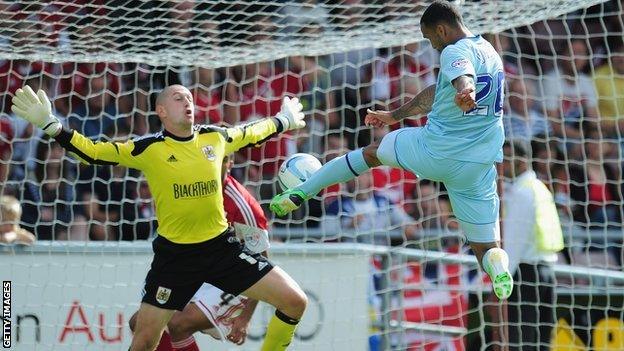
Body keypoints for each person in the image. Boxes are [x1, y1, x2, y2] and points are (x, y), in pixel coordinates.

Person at [11, 84, 308, 351]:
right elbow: (93, 152)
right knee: (142, 340)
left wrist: (284, 120)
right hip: (175, 258)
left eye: (190, 98)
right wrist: (52, 126)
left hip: (221, 249)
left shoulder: (215, 138)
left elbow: (253, 132)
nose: (188, 102)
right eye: (179, 98)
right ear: (162, 111)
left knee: (296, 301)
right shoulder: (149, 149)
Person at [271, 0, 513, 300]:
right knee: (487, 248)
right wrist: (394, 116)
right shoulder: (490, 52)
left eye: (430, 38)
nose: (432, 45)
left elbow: (461, 78)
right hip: (479, 165)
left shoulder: (455, 50)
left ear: (441, 29)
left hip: (436, 150)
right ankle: (497, 264)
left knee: (371, 154)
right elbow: (439, 91)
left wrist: (467, 90)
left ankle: (303, 191)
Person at [128, 154, 270, 350]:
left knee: (179, 324)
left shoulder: (242, 205)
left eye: (220, 159)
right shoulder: (191, 190)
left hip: (236, 278)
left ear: (230, 163)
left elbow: (262, 262)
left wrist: (246, 316)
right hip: (198, 272)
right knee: (139, 324)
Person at [501, 141, 564, 351]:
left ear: (519, 161)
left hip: (525, 274)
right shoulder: (539, 188)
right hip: (546, 273)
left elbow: (514, 241)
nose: (501, 165)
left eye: (505, 158)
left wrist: (501, 279)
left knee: (522, 339)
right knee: (542, 338)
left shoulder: (521, 193)